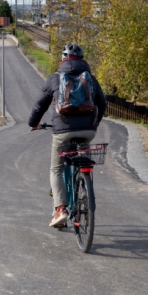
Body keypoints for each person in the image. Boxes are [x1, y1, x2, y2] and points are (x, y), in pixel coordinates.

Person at [28, 43, 107, 228]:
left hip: (63, 131)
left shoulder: (54, 79)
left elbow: (39, 105)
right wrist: (94, 123)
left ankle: (60, 210)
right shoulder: (91, 79)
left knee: (56, 169)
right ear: (82, 60)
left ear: (63, 59)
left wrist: (33, 124)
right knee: (83, 154)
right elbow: (102, 104)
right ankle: (85, 188)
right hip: (88, 130)